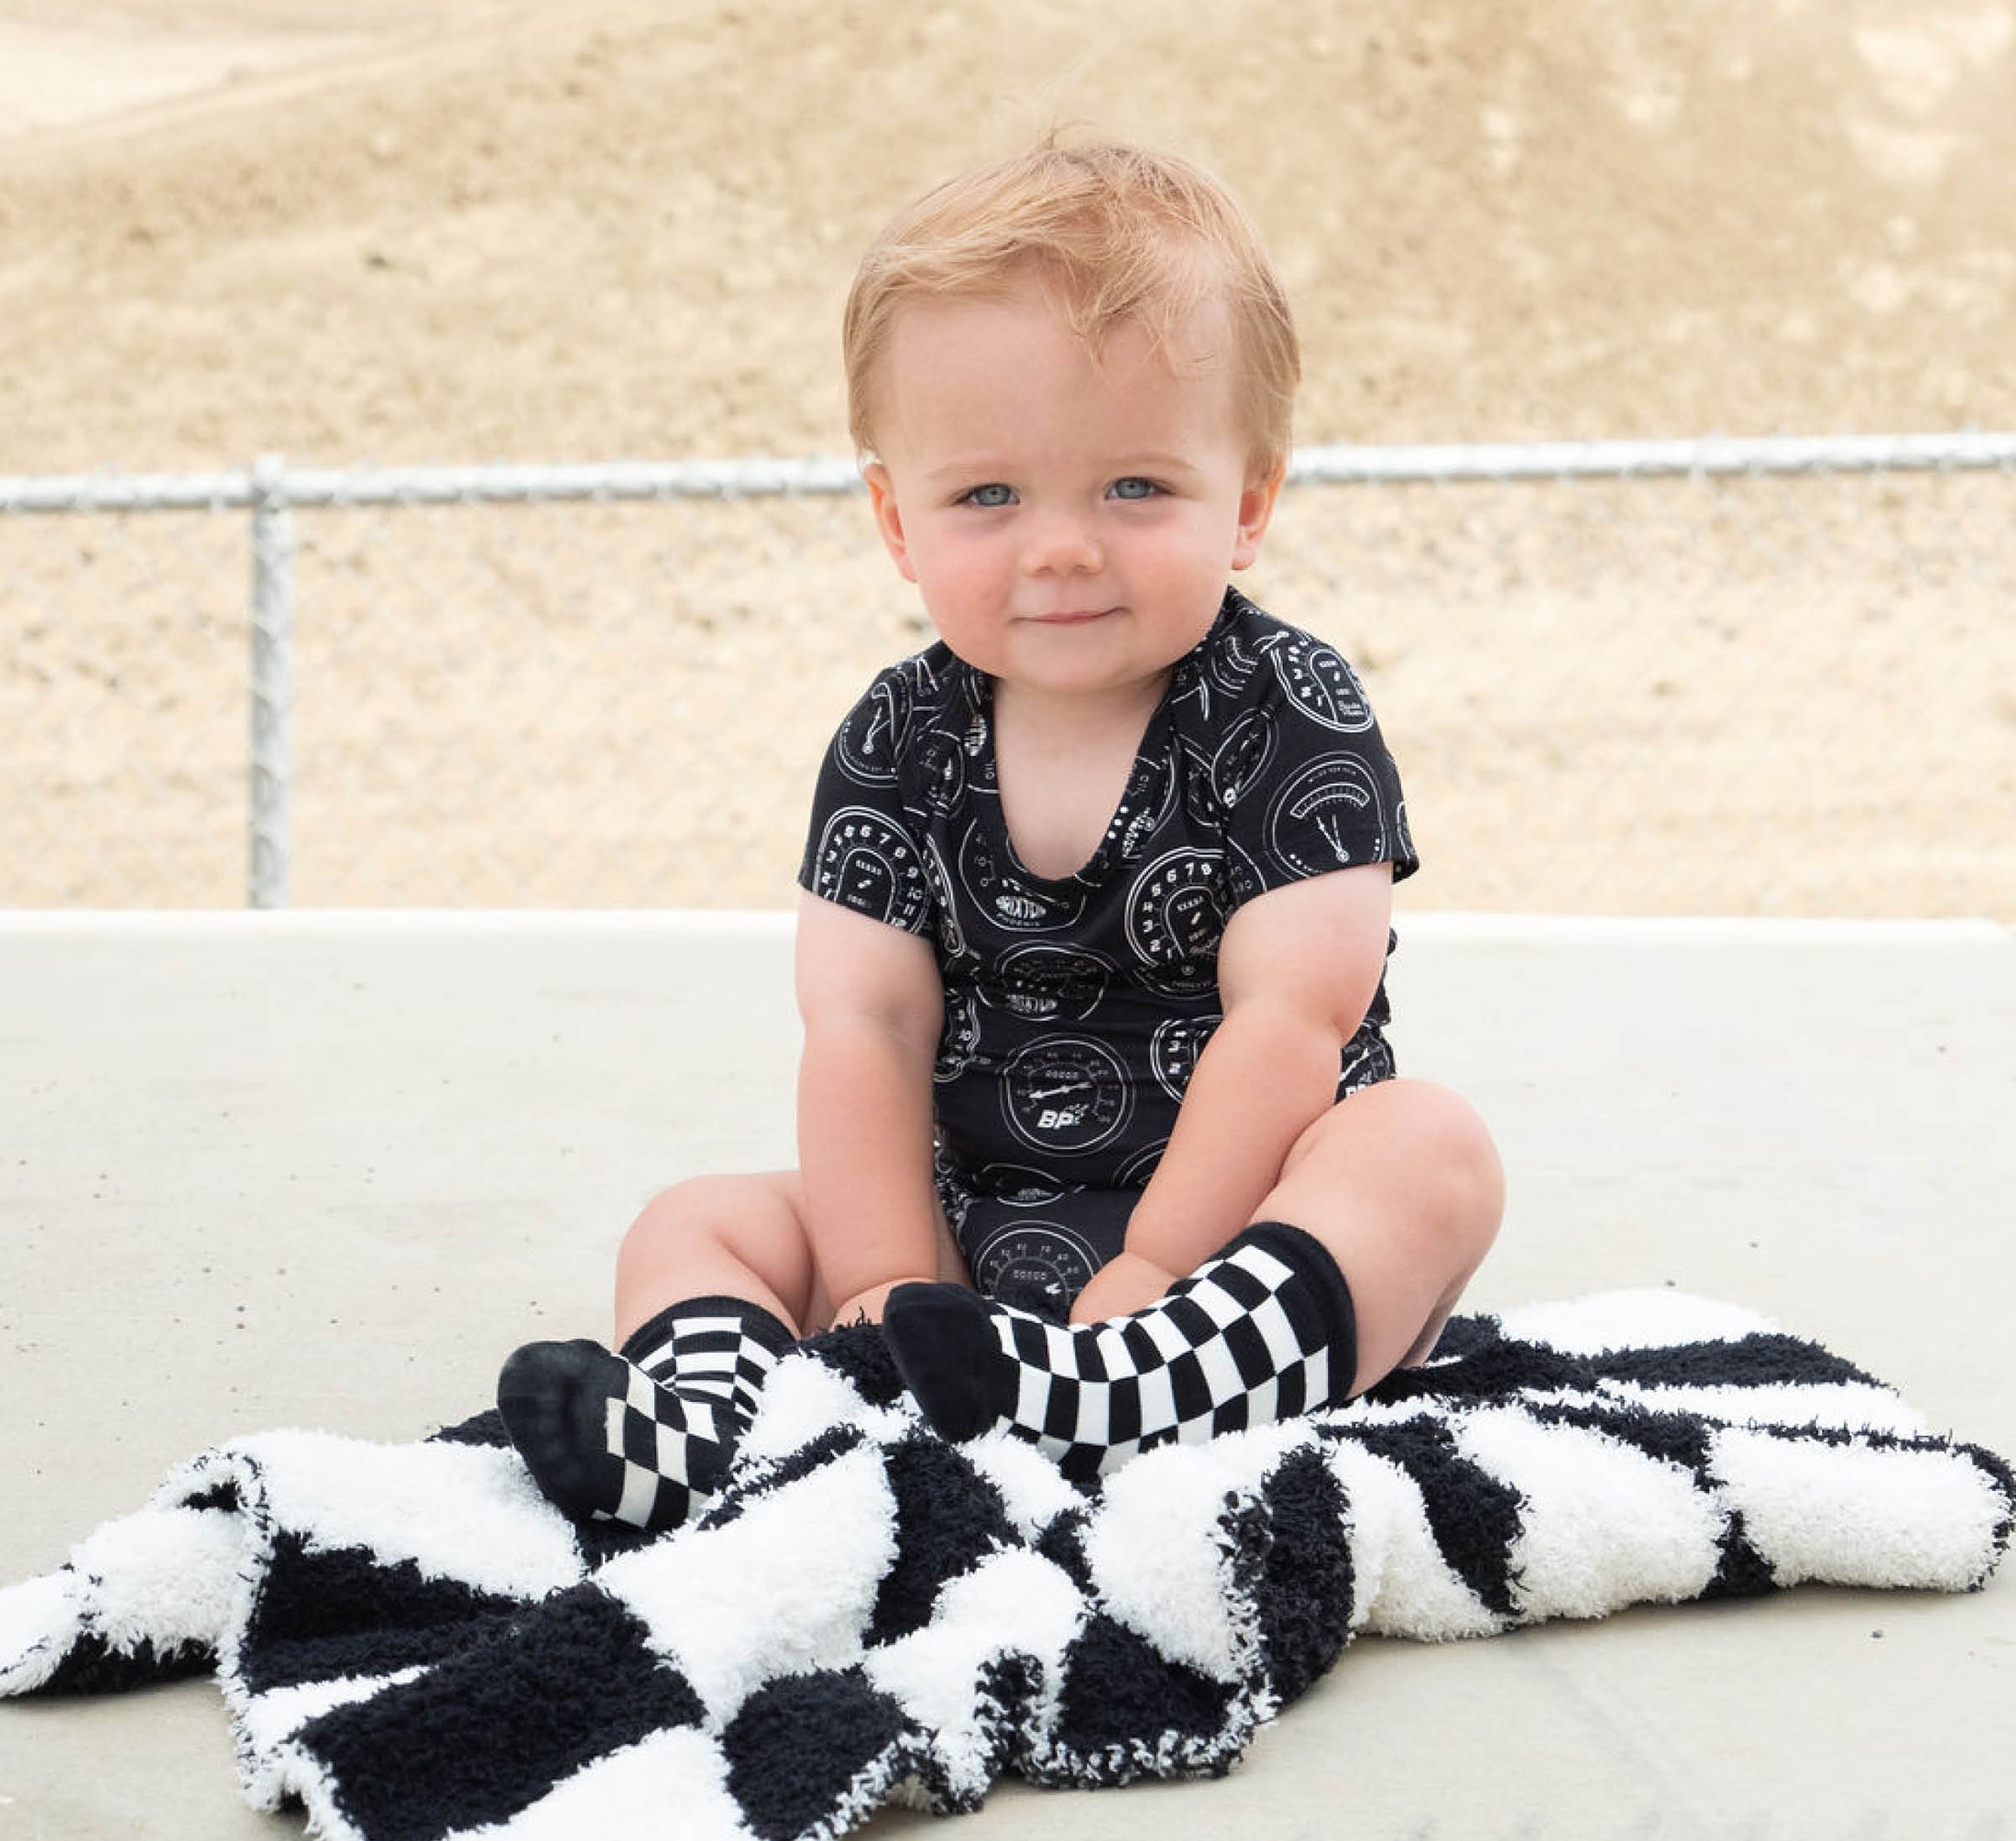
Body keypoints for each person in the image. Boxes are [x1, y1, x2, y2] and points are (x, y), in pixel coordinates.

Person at [497, 137, 1505, 1524]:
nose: (1062, 546)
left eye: (1134, 487)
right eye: (988, 495)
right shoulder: (898, 738)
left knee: (1426, 1149)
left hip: (1239, 1250)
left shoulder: (1285, 708)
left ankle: (1139, 1396)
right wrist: (886, 1290)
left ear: (1250, 501)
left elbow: (1295, 1020)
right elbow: (866, 1030)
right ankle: (715, 1431)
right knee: (701, 1221)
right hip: (967, 1244)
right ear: (895, 518)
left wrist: (1155, 1270)